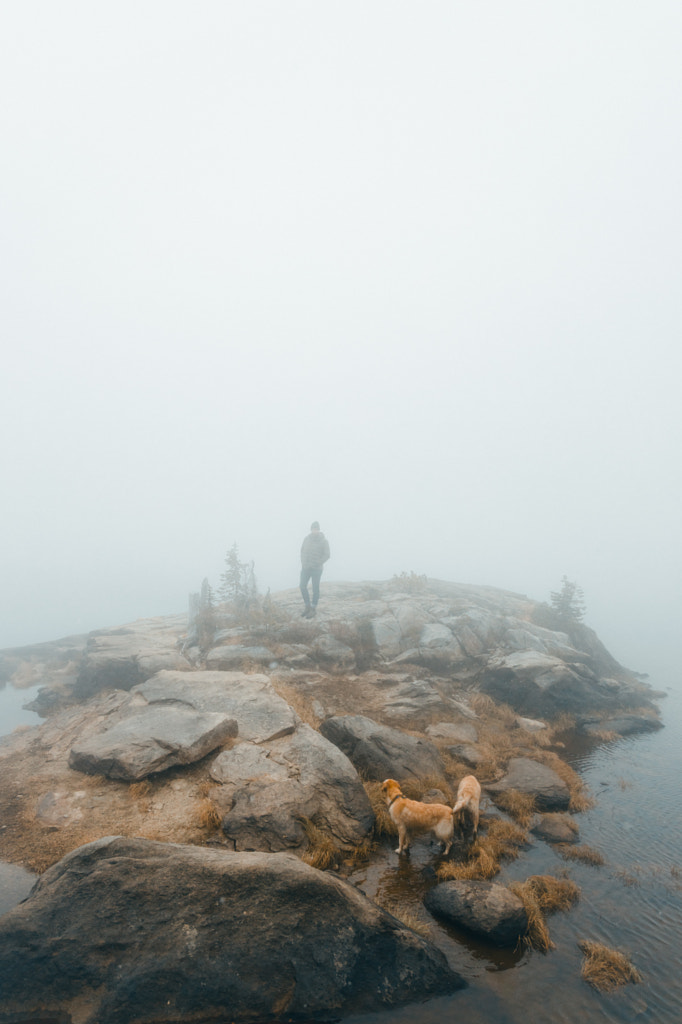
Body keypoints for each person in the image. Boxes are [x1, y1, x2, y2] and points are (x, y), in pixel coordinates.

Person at [299, 521, 330, 617]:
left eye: (316, 529)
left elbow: (327, 555)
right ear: (311, 529)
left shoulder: (324, 541)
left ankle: (313, 608)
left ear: (319, 530)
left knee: (315, 588)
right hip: (306, 567)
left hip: (317, 569)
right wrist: (303, 563)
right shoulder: (306, 539)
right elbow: (302, 551)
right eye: (313, 529)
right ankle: (307, 606)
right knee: (302, 586)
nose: (314, 531)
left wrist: (318, 562)